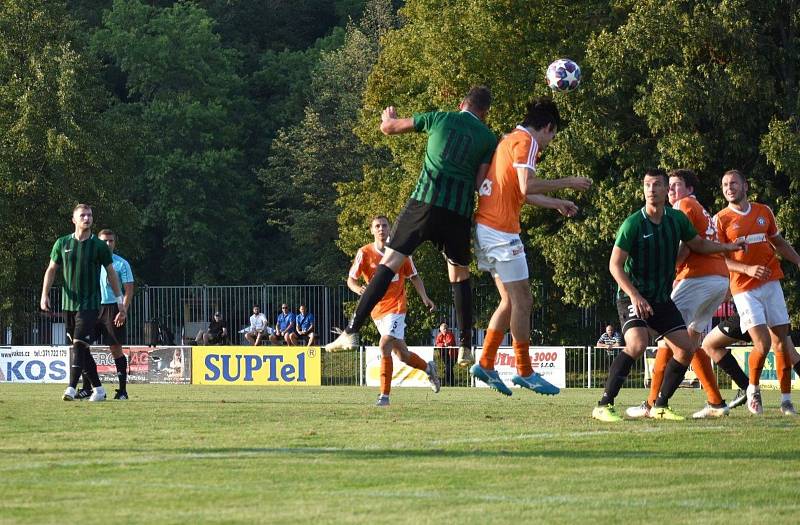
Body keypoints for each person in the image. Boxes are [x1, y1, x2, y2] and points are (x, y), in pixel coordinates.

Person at [325, 86, 499, 368]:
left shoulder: (440, 118)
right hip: (458, 211)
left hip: (425, 203)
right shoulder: (488, 139)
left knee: (390, 262)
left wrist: (387, 118)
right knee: (459, 275)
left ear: (461, 104)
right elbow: (481, 184)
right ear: (485, 113)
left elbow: (390, 128)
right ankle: (466, 345)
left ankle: (351, 332)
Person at [591, 169, 744, 422]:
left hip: (662, 299)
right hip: (633, 296)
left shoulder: (676, 219)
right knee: (638, 344)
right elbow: (614, 265)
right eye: (647, 185)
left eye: (657, 185)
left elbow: (698, 244)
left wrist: (726, 248)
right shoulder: (633, 224)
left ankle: (660, 405)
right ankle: (604, 404)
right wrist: (635, 295)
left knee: (686, 349)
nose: (652, 189)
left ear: (665, 191)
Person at [470, 97, 589, 396]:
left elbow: (519, 192)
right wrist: (568, 182)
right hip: (501, 232)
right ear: (548, 127)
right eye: (553, 136)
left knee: (509, 302)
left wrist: (556, 204)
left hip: (485, 228)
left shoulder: (509, 138)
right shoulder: (527, 142)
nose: (549, 143)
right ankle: (525, 371)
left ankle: (485, 363)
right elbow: (528, 185)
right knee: (524, 301)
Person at [714, 168, 800, 415]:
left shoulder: (764, 212)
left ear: (745, 186)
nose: (729, 188)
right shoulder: (720, 219)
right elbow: (719, 260)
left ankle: (786, 401)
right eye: (725, 185)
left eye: (733, 183)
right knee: (761, 343)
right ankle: (753, 390)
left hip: (772, 283)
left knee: (781, 344)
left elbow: (778, 242)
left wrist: (797, 260)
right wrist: (747, 269)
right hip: (743, 288)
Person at [347, 215, 440, 406]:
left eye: (384, 225)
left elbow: (414, 276)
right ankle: (428, 368)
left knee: (384, 344)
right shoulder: (364, 253)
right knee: (402, 355)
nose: (381, 229)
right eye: (377, 226)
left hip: (397, 306)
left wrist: (425, 297)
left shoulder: (400, 252)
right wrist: (359, 290)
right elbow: (351, 280)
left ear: (390, 229)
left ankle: (384, 396)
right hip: (377, 310)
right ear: (372, 230)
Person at [40, 204, 127, 402]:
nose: (87, 218)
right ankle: (99, 389)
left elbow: (112, 273)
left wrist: (119, 300)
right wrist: (44, 294)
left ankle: (71, 388)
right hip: (68, 304)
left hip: (90, 304)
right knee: (81, 348)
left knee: (78, 343)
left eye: (89, 215)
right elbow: (51, 269)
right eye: (83, 215)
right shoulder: (62, 243)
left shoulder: (98, 246)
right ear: (74, 219)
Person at [76, 229, 135, 401]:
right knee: (83, 345)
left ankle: (122, 391)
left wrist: (122, 310)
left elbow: (129, 289)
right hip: (92, 308)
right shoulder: (90, 263)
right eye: (104, 241)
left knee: (115, 348)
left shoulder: (121, 264)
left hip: (112, 309)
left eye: (111, 241)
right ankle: (87, 388)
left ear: (115, 243)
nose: (107, 244)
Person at [435, 322, 456, 386]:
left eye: (445, 329)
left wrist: (443, 344)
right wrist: (444, 344)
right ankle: (450, 384)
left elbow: (449, 342)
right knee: (448, 369)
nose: (445, 330)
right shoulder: (439, 335)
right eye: (443, 329)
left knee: (448, 368)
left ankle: (448, 383)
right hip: (444, 354)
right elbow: (437, 343)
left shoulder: (450, 334)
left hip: (452, 354)